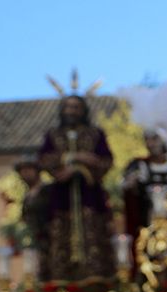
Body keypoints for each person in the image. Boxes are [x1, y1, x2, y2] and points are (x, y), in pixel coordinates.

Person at [36, 94, 115, 282]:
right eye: (68, 107)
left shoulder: (95, 134)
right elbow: (44, 159)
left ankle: (97, 280)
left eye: (76, 107)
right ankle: (61, 282)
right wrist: (74, 158)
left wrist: (81, 170)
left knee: (94, 235)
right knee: (60, 238)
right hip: (61, 197)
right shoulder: (53, 135)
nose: (72, 111)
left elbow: (105, 160)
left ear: (83, 111)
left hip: (90, 195)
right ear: (62, 110)